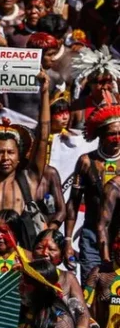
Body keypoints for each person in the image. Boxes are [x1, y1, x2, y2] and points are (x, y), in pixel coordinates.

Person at [0, 72, 64, 248]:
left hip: (20, 262)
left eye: (10, 152)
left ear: (19, 156)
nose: (5, 157)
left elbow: (43, 135)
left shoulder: (30, 179)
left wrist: (45, 92)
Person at [68, 104, 120, 277]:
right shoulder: (86, 162)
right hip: (91, 237)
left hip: (118, 238)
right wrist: (68, 240)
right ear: (100, 135)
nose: (117, 139)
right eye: (112, 134)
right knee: (91, 288)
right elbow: (73, 203)